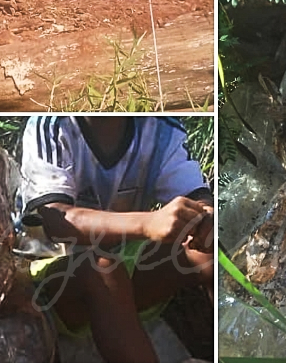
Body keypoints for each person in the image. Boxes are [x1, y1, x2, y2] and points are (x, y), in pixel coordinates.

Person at [17, 116, 213, 363]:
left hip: (125, 267)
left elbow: (196, 196)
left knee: (208, 251)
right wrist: (147, 223)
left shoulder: (161, 129)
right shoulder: (51, 126)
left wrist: (205, 216)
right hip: (53, 283)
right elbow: (55, 220)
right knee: (103, 268)